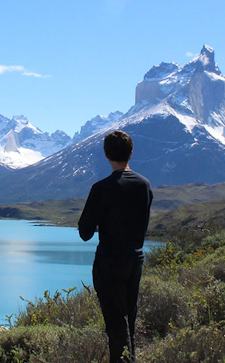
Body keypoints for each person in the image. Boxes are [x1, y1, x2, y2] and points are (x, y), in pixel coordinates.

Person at [78, 130, 153, 363]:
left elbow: (85, 232)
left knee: (116, 327)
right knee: (128, 321)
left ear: (106, 154)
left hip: (110, 264)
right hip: (135, 261)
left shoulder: (101, 188)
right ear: (131, 153)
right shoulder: (144, 185)